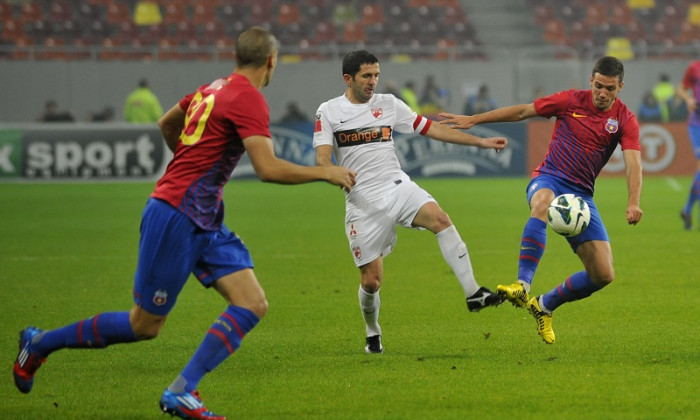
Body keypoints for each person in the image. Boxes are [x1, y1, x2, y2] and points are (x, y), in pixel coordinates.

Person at [13, 26, 356, 420]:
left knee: (252, 302)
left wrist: (192, 167)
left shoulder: (210, 89)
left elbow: (165, 123)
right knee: (144, 325)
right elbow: (267, 168)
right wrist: (325, 173)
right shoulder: (249, 98)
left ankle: (182, 391)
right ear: (271, 61)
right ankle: (39, 343)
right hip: (176, 214)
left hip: (203, 215)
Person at [313, 50, 507, 354]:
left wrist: (480, 142)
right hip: (363, 202)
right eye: (366, 76)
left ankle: (473, 293)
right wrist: (332, 172)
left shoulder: (389, 104)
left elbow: (432, 128)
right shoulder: (328, 111)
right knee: (372, 281)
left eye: (376, 74)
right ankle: (372, 331)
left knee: (441, 219)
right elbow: (323, 157)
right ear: (348, 78)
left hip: (396, 186)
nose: (373, 81)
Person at [440, 56, 643, 344]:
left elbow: (634, 163)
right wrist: (475, 119)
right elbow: (523, 111)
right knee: (542, 203)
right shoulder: (570, 101)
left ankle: (544, 305)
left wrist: (633, 201)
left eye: (609, 89)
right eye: (598, 86)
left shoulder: (624, 119)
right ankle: (522, 284)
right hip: (549, 177)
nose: (602, 93)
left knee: (603, 274)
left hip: (581, 196)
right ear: (591, 81)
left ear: (620, 87)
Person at [676, 60, 700, 230]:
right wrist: (689, 99)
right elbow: (681, 88)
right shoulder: (694, 67)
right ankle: (689, 210)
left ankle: (687, 210)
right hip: (697, 124)